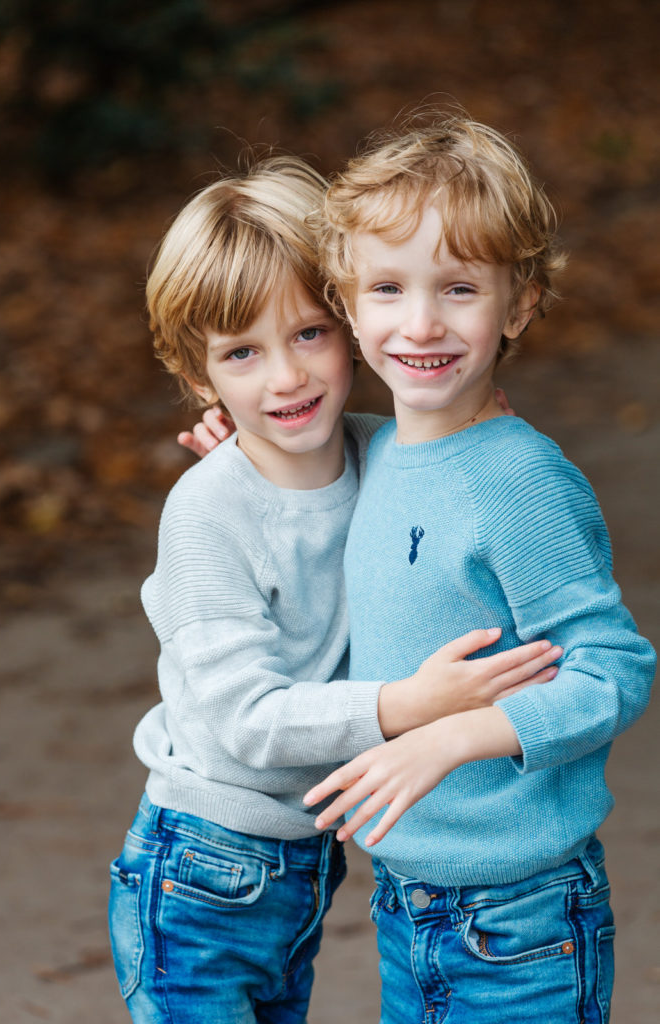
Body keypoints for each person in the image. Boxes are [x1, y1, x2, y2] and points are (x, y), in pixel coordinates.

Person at [107, 154, 561, 1024]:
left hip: (302, 862)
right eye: (242, 353)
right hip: (203, 864)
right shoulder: (206, 512)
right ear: (200, 378)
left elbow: (447, 457)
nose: (285, 378)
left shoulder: (379, 453)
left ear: (352, 319)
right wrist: (407, 705)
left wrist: (489, 438)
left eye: (310, 334)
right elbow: (244, 718)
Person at [303, 114, 657, 1023]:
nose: (420, 323)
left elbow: (614, 670)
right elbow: (298, 444)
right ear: (346, 302)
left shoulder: (519, 482)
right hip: (406, 899)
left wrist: (458, 734)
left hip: (524, 915)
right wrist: (236, 439)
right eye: (387, 287)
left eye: (458, 288)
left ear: (521, 303)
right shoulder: (378, 451)